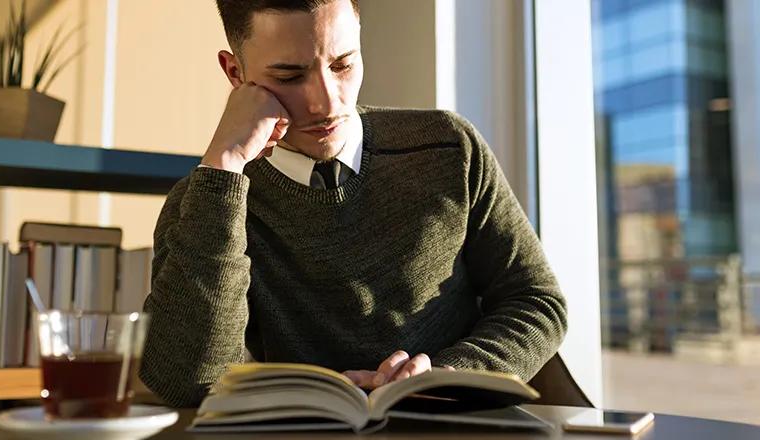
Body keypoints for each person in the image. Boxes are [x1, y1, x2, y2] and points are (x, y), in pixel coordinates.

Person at [139, 0, 567, 407]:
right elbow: (186, 383)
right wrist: (225, 164)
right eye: (289, 77)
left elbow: (537, 301)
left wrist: (450, 374)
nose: (326, 103)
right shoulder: (205, 205)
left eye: (343, 64)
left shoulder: (449, 148)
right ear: (235, 72)